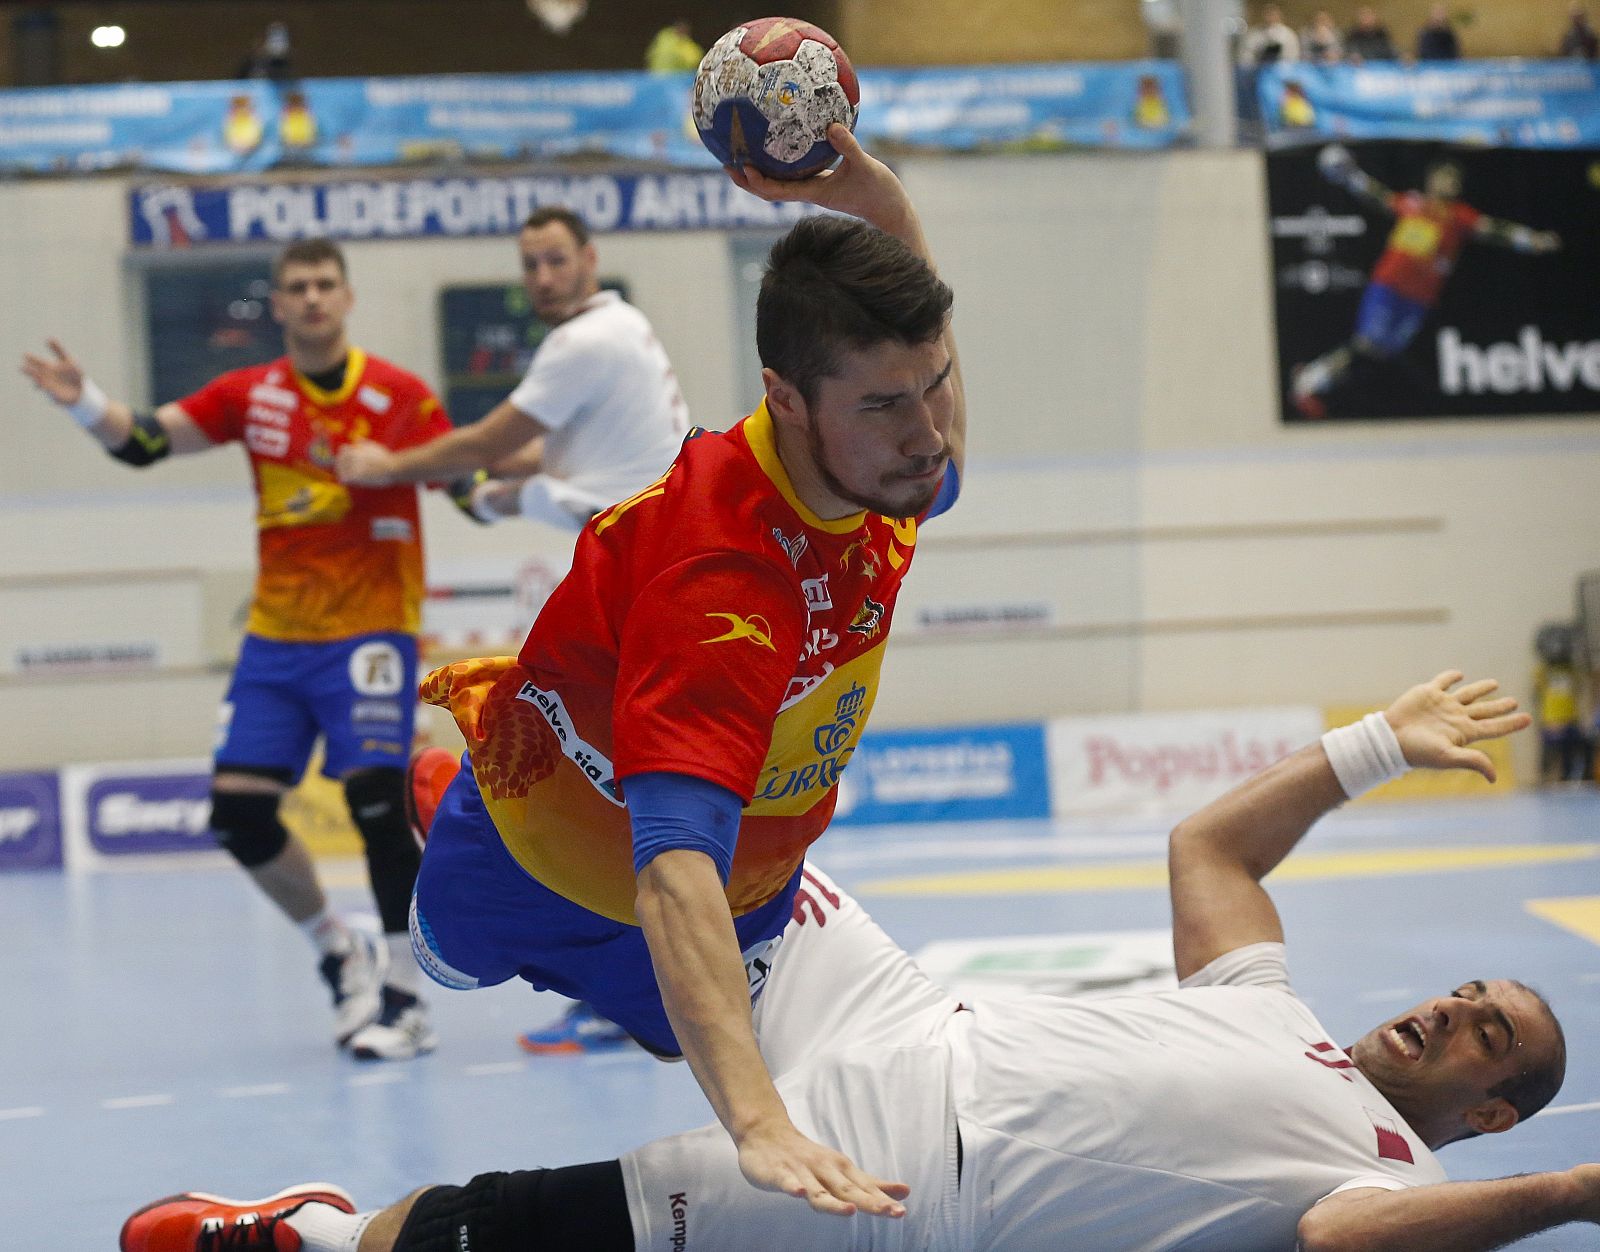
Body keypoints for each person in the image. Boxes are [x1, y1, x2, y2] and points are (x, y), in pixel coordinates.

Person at [122, 671, 1598, 1252]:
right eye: (1469, 991)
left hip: (903, 1172)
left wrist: (1581, 1194)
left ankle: (305, 1236)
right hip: (892, 1003)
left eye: (1488, 1036)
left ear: (1488, 1117)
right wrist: (1367, 750)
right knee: (714, 848)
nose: (1451, 1009)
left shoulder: (1391, 1182)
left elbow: (1350, 1246)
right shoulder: (1275, 1011)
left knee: (514, 1236)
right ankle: (480, 907)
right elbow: (1209, 858)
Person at [377, 121, 961, 1216]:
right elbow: (669, 872)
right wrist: (756, 1123)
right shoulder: (721, 581)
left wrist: (875, 200)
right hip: (533, 863)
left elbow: (911, 386)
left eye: (933, 385)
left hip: (747, 881)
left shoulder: (885, 466)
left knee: (670, 1038)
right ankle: (444, 783)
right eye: (887, 403)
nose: (931, 436)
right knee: (448, 964)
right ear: (785, 399)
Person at [21, 240, 471, 1061]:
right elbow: (146, 442)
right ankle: (340, 951)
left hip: (371, 628)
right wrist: (85, 400)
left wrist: (538, 476)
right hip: (277, 637)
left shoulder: (400, 396)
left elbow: (470, 481)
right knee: (236, 813)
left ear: (347, 296)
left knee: (375, 799)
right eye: (295, 287)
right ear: (277, 303)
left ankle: (407, 999)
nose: (310, 299)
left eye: (323, 285)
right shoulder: (251, 394)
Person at [336, 207, 689, 535]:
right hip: (658, 522)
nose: (544, 279)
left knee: (525, 495)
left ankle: (482, 502)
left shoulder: (582, 341)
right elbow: (558, 455)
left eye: (557, 261)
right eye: (531, 265)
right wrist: (465, 468)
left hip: (642, 533)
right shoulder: (625, 319)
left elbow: (485, 444)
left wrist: (389, 468)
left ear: (590, 258)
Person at [1290, 147, 1561, 419]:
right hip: (1389, 287)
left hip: (1420, 299)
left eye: (1456, 179)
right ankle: (1311, 380)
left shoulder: (1459, 216)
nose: (1451, 183)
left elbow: (1495, 230)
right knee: (1368, 344)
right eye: (1446, 177)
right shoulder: (1413, 203)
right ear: (1431, 179)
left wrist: (1530, 239)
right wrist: (1351, 175)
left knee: (1382, 351)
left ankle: (1321, 379)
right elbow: (1377, 196)